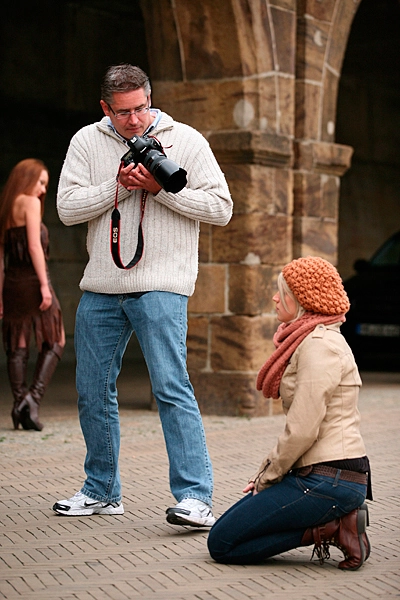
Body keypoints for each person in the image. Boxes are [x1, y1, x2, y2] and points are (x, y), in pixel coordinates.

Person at [53, 64, 233, 525]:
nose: (133, 121)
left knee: (172, 389)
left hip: (163, 283)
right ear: (105, 108)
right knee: (92, 391)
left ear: (149, 98)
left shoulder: (187, 139)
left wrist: (161, 189)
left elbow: (221, 208)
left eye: (140, 108)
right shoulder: (85, 141)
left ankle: (196, 498)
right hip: (101, 285)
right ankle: (101, 491)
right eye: (122, 112)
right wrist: (119, 187)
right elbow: (68, 208)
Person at [207, 256, 372, 570]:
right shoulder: (313, 340)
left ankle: (332, 528)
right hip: (322, 475)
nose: (274, 297)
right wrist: (267, 475)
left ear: (303, 301)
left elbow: (302, 428)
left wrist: (268, 477)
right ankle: (332, 523)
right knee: (228, 532)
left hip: (329, 479)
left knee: (222, 543)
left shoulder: (320, 345)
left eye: (282, 291)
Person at [0, 158, 65, 431]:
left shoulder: (6, 206)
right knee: (57, 338)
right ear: (26, 178)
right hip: (31, 281)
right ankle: (31, 400)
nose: (42, 190)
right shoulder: (30, 202)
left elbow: (0, 256)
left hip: (11, 284)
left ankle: (19, 405)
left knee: (19, 342)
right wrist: (43, 285)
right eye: (40, 182)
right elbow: (35, 247)